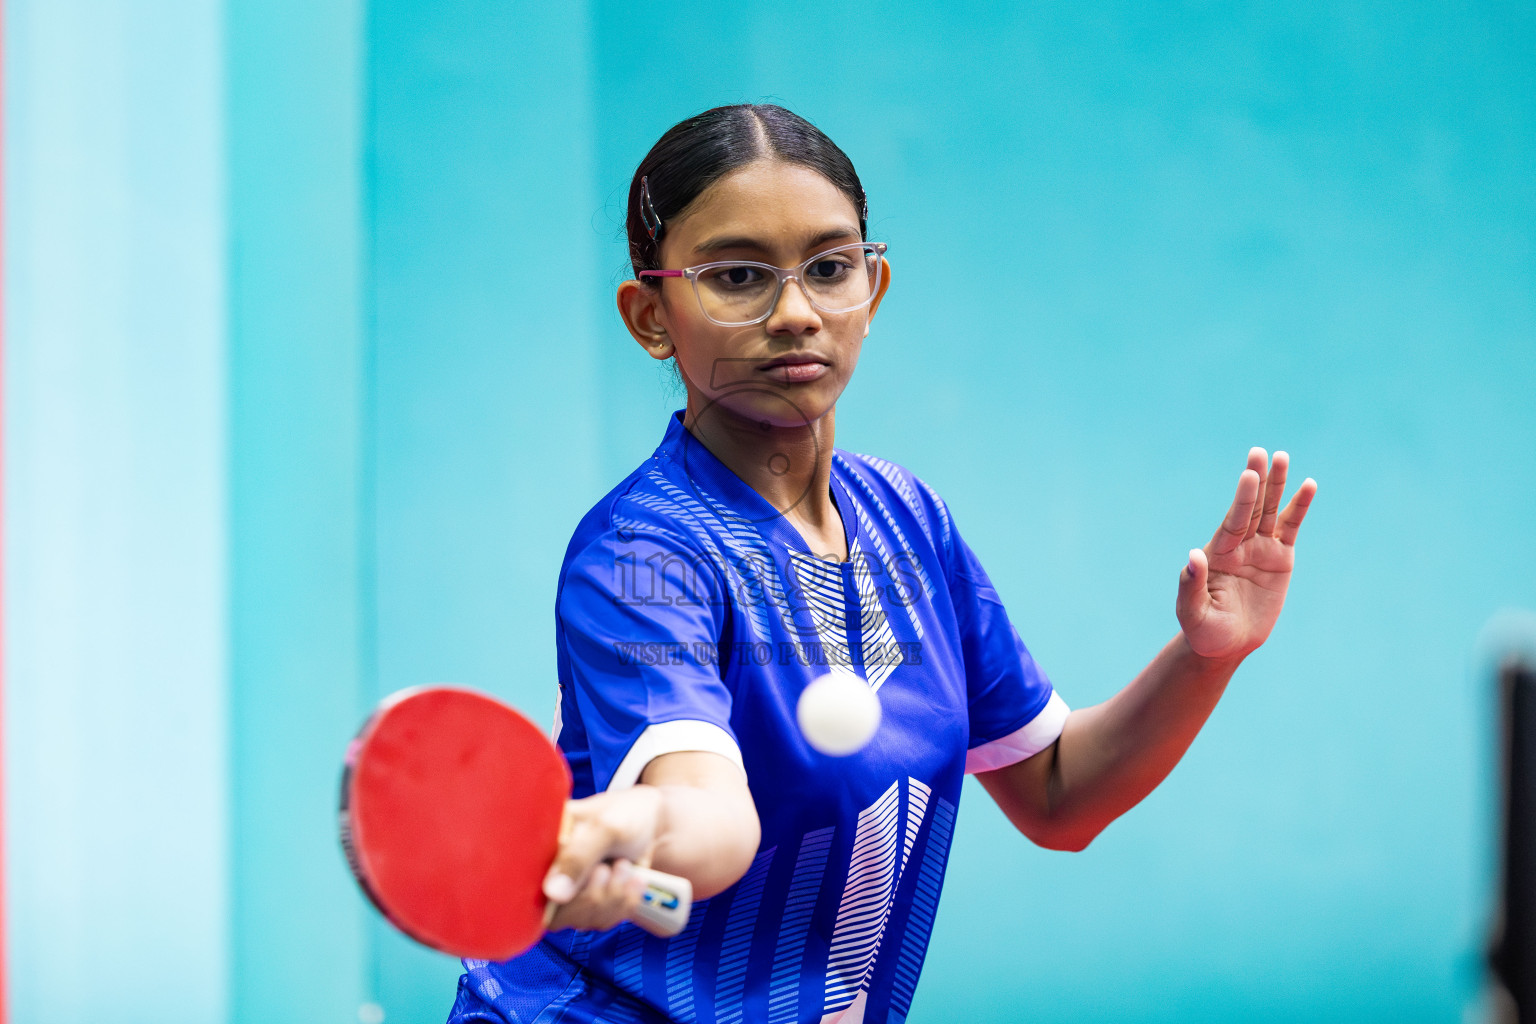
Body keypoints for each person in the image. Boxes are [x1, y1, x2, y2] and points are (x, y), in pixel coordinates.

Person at [445, 104, 1316, 1024]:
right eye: (737, 276)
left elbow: (1060, 793)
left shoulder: (909, 521)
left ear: (875, 289)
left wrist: (1208, 655)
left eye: (830, 267)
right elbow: (710, 816)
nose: (794, 312)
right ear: (650, 316)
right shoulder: (643, 554)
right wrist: (630, 829)